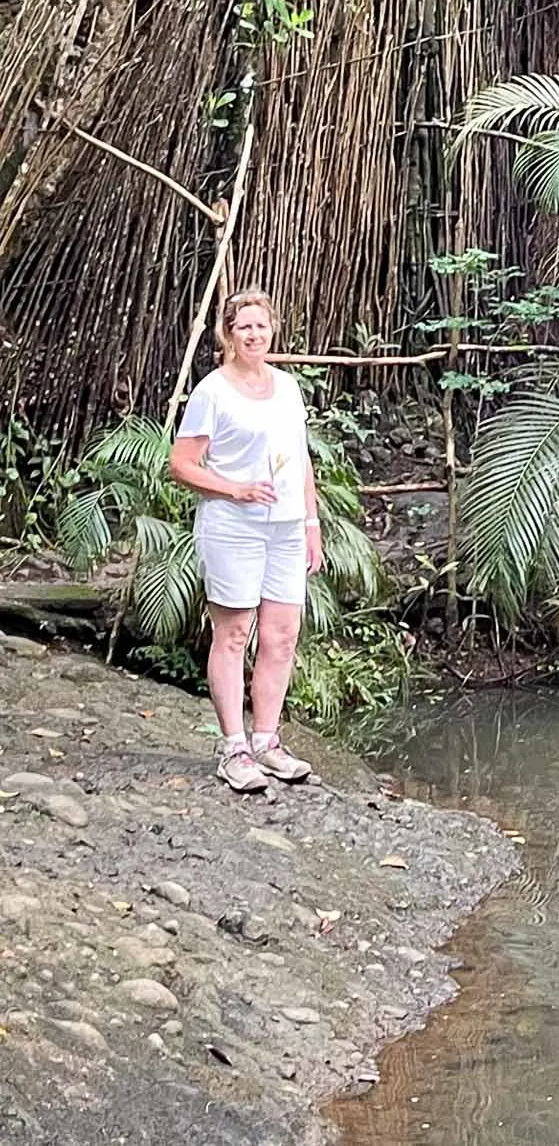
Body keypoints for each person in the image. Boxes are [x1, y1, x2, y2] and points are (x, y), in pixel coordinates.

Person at [168, 287, 323, 793]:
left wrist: (310, 524)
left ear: (272, 329)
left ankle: (267, 741)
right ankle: (233, 746)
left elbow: (300, 460)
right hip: (233, 525)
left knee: (281, 636)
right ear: (228, 334)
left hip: (285, 526)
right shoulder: (213, 391)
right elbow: (181, 464)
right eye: (244, 327)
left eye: (261, 325)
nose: (254, 335)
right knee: (233, 634)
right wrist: (235, 488)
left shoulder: (287, 387)